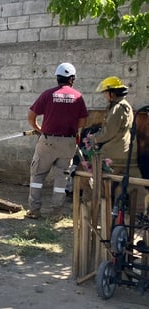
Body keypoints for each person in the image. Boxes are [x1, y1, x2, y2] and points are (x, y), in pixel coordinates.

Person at [25, 63, 89, 220]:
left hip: (47, 141)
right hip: (68, 142)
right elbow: (83, 120)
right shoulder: (77, 96)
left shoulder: (48, 94)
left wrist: (38, 128)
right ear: (72, 79)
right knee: (62, 178)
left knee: (38, 175)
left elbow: (31, 116)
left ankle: (34, 210)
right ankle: (55, 214)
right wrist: (77, 133)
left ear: (57, 77)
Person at [92, 76, 141, 196]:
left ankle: (98, 207)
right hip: (127, 152)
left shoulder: (117, 109)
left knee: (99, 182)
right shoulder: (125, 105)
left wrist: (94, 139)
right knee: (135, 186)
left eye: (105, 93)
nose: (104, 96)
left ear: (112, 93)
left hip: (113, 155)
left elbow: (108, 132)